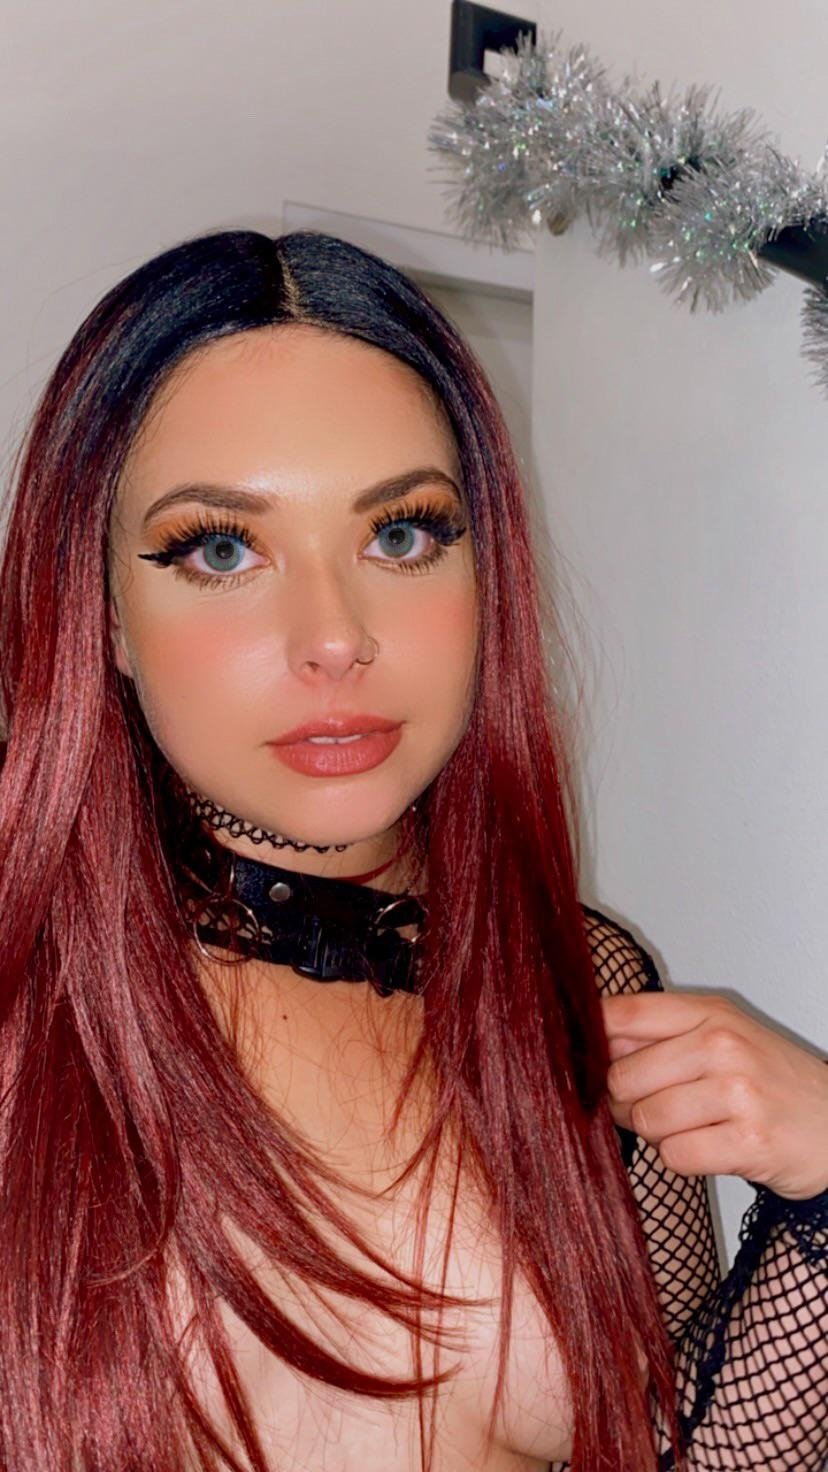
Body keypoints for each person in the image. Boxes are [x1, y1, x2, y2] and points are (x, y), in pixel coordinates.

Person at [0, 227, 824, 1472]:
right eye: (221, 547)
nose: (336, 635)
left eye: (402, 535)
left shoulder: (576, 977)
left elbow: (676, 1450)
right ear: (103, 611)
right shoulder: (29, 993)